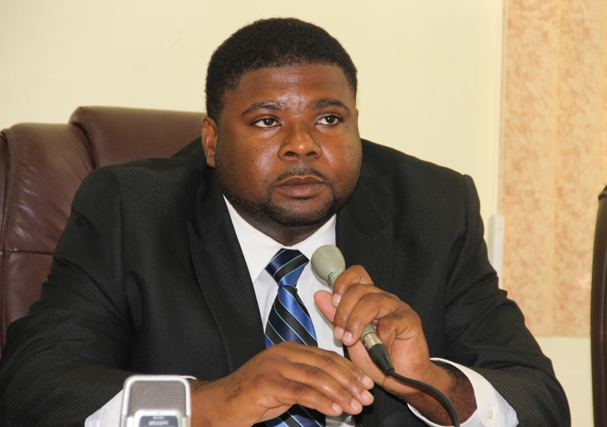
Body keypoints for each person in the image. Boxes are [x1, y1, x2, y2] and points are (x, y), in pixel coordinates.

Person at [0, 18, 570, 427]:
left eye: (328, 118)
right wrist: (210, 405)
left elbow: (541, 402)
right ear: (212, 141)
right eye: (268, 121)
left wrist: (433, 383)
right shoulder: (133, 212)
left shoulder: (433, 207)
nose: (303, 145)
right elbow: (34, 387)